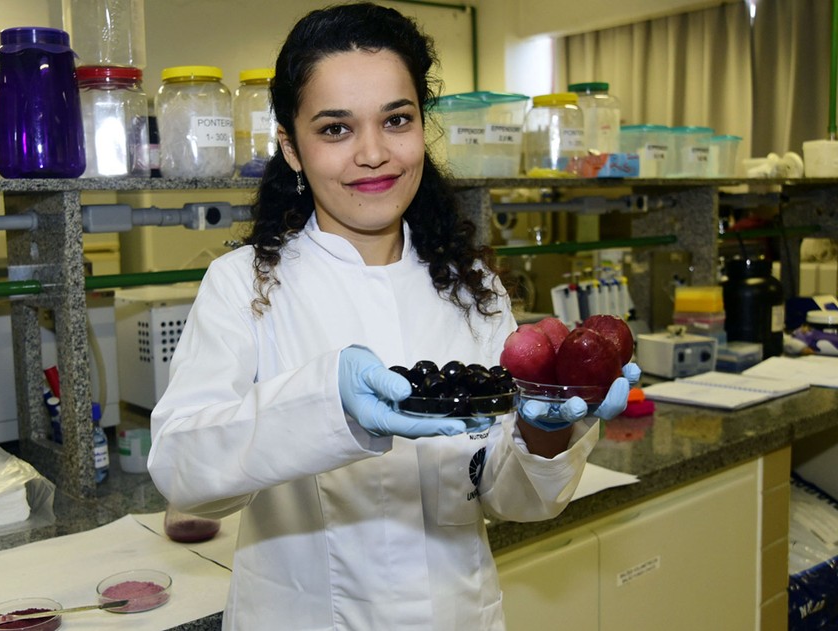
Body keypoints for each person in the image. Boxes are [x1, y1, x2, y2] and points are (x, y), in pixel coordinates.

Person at [147, 3, 636, 629]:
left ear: (421, 129)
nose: (373, 153)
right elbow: (184, 474)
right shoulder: (244, 285)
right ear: (291, 148)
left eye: (396, 120)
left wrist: (545, 434)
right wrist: (326, 404)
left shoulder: (472, 287)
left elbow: (508, 498)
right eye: (335, 129)